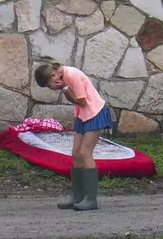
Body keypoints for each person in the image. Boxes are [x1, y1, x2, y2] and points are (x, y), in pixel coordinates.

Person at [33, 56, 113, 211]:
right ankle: (77, 196)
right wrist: (64, 88)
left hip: (95, 112)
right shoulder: (63, 77)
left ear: (53, 75)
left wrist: (64, 88)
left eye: (50, 85)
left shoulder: (72, 75)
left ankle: (90, 199)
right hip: (83, 114)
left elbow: (81, 101)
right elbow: (76, 102)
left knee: (85, 152)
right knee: (76, 153)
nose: (51, 88)